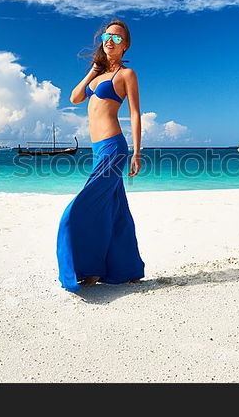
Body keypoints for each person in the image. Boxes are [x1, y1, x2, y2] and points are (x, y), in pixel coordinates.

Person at [55, 19, 145, 292]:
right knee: (115, 211)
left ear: (125, 45)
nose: (110, 40)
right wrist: (94, 69)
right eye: (107, 36)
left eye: (117, 38)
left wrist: (137, 152)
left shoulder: (127, 75)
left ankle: (86, 267)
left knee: (77, 211)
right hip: (97, 150)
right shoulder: (98, 76)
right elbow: (74, 97)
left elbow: (135, 113)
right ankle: (126, 269)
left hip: (114, 148)